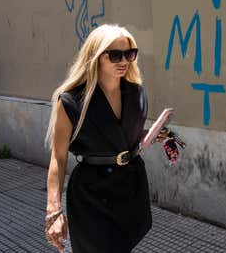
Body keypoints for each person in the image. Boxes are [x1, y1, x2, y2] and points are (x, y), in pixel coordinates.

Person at [44, 24, 166, 252]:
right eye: (115, 55)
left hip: (130, 187)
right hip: (92, 195)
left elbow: (120, 135)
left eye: (130, 54)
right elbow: (58, 157)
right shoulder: (71, 101)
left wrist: (150, 135)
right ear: (96, 57)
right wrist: (53, 210)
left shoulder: (136, 93)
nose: (124, 61)